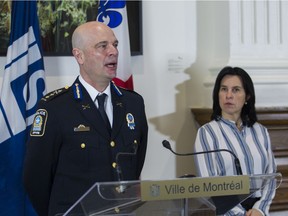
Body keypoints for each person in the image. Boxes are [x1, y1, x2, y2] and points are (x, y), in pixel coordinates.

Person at [23, 21, 148, 216]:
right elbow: (35, 177)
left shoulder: (134, 104)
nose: (113, 51)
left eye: (115, 45)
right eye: (102, 46)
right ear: (79, 55)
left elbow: (135, 164)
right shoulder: (55, 107)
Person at [194, 66, 277, 216]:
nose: (229, 95)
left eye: (236, 90)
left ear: (247, 97)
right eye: (224, 89)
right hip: (227, 212)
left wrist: (260, 209)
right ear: (217, 94)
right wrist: (239, 214)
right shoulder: (207, 133)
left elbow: (271, 176)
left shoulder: (261, 131)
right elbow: (209, 182)